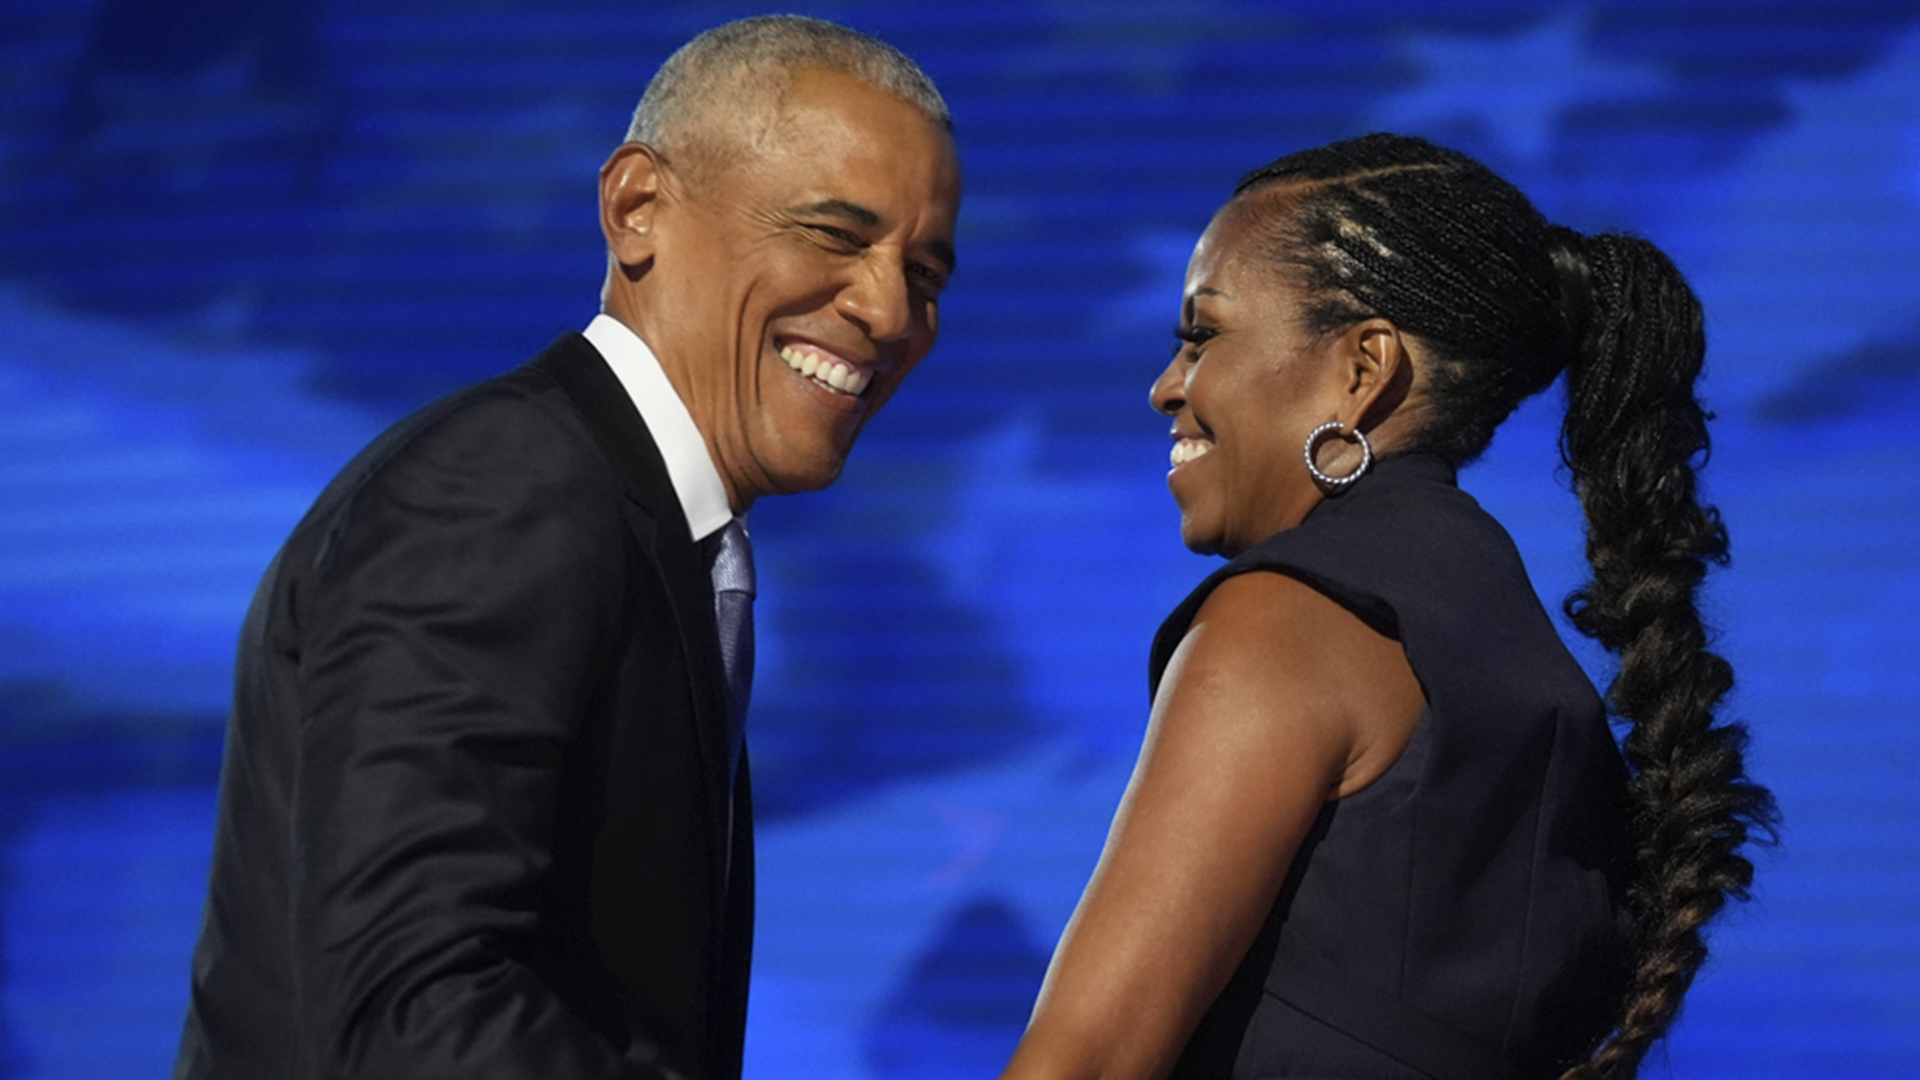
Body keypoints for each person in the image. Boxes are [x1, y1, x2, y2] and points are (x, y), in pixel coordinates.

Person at [172, 15, 960, 1080]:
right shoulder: (506, 488)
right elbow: (412, 1012)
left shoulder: (640, 522)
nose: (889, 308)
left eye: (925, 272)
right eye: (834, 234)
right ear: (639, 208)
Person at [1000, 133, 1774, 1080]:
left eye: (1203, 335)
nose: (1168, 385)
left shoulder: (1286, 625)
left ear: (1364, 370)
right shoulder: (1530, 667)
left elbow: (1085, 1063)